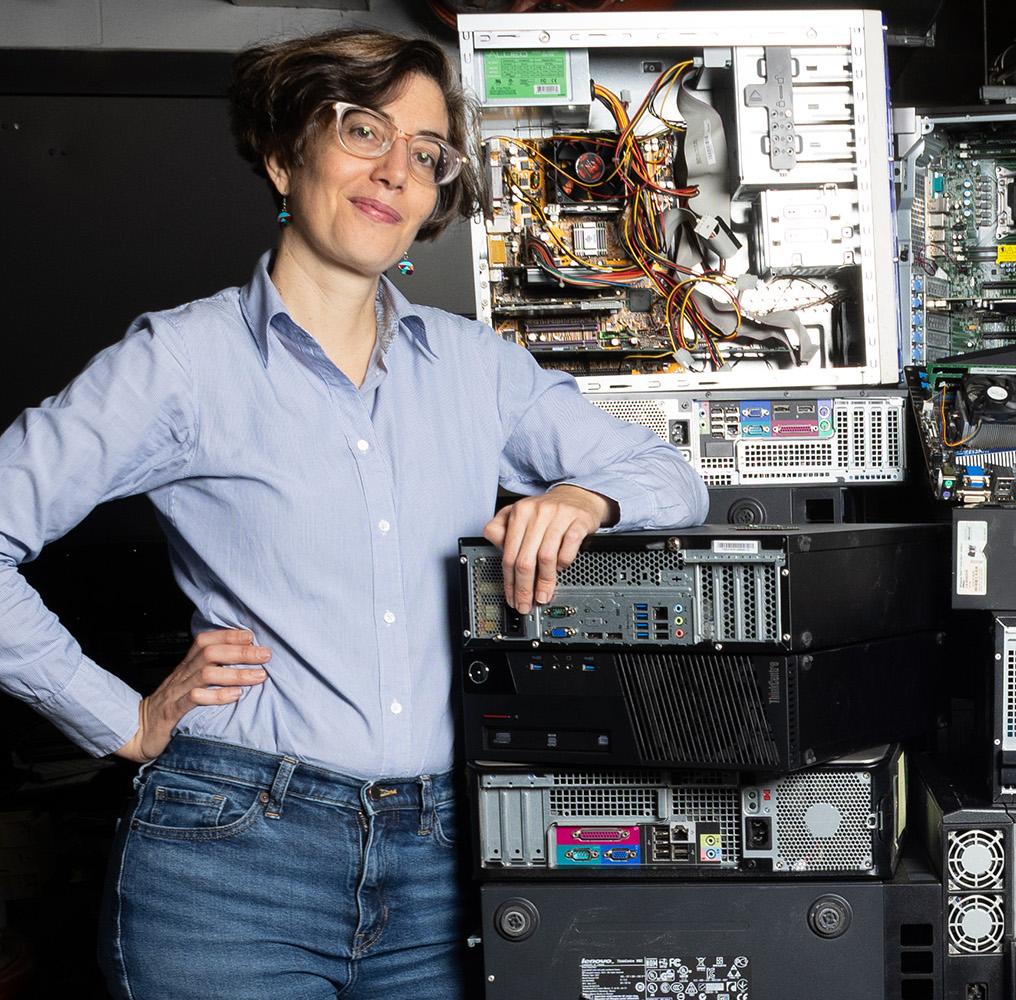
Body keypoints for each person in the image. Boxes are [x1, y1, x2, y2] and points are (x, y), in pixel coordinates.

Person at [0, 28, 707, 998]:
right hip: (229, 862)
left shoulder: (479, 369)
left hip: (442, 862)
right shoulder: (178, 365)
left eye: (424, 153)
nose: (395, 171)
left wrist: (584, 495)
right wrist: (118, 720)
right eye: (362, 129)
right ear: (285, 153)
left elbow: (670, 472)